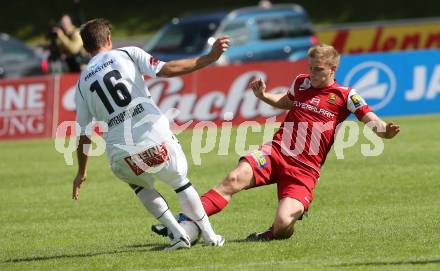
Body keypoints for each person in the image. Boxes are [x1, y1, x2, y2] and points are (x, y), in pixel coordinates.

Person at [152, 44, 401, 241]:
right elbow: (285, 102)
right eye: (311, 67)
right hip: (276, 152)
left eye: (319, 70)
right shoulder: (301, 82)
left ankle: (272, 232)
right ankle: (181, 221)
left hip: (305, 170)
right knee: (233, 179)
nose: (312, 74)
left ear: (333, 69)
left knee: (283, 224)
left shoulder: (346, 95)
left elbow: (370, 120)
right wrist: (263, 96)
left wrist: (384, 131)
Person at [72, 18, 230, 250]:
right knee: (180, 183)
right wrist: (208, 58)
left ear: (86, 48)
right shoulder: (127, 53)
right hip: (154, 134)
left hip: (121, 151)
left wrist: (81, 172)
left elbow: (83, 134)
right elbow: (166, 69)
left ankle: (178, 235)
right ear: (108, 39)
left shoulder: (82, 83)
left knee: (139, 186)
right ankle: (211, 236)